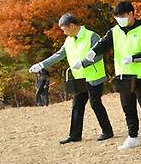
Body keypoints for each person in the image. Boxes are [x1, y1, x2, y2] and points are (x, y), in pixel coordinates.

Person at [79, 1, 141, 150]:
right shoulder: (114, 31)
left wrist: (133, 58)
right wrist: (93, 52)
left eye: (122, 16)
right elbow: (103, 43)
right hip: (123, 76)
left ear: (131, 14)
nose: (119, 19)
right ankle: (133, 136)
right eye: (116, 17)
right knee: (127, 106)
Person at [29, 13, 113, 144]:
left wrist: (83, 63)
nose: (63, 33)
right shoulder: (69, 40)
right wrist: (42, 64)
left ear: (72, 26)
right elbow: (59, 55)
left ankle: (107, 131)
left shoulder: (91, 36)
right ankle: (74, 135)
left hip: (94, 76)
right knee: (77, 105)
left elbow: (99, 55)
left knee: (95, 103)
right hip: (79, 78)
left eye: (64, 29)